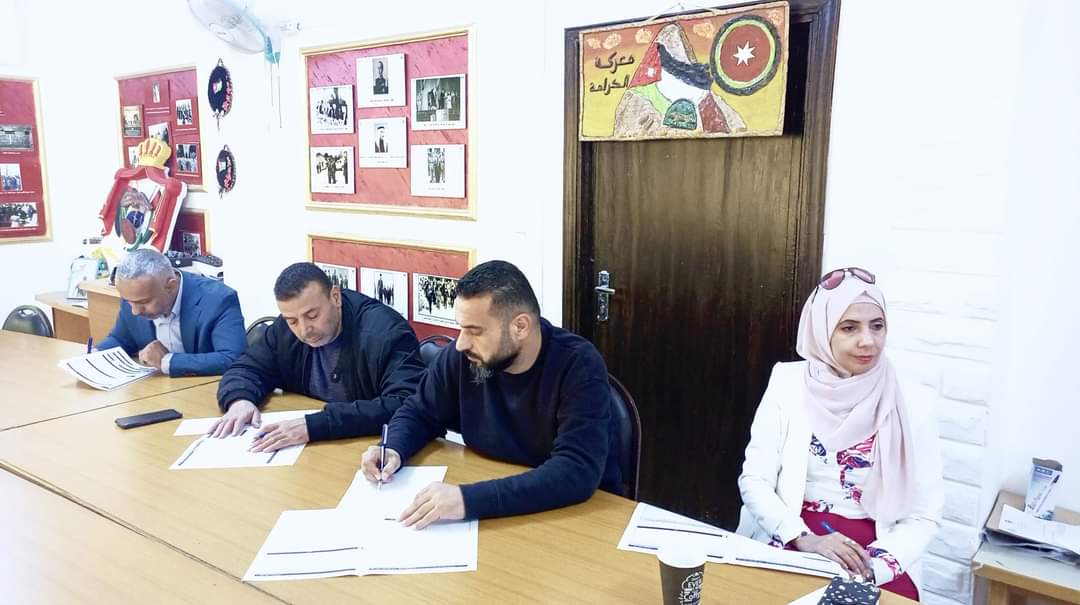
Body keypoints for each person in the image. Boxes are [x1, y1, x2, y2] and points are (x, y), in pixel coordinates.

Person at [359, 260, 622, 529]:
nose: (461, 343)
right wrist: (394, 447)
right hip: (498, 507)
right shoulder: (464, 356)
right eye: (461, 328)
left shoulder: (579, 365)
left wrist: (468, 500)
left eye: (475, 331)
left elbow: (576, 471)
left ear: (520, 327)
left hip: (576, 517)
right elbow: (420, 412)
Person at [736, 268, 943, 600]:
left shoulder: (914, 402)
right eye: (849, 328)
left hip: (877, 547)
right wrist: (804, 539)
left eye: (877, 326)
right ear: (821, 331)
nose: (868, 341)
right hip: (796, 534)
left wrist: (870, 567)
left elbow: (924, 514)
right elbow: (754, 480)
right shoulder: (787, 383)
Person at [211, 262, 426, 453]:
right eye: (292, 321)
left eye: (312, 315)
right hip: (312, 452)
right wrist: (240, 400)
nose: (304, 330)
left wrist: (315, 426)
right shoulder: (286, 329)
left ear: (335, 297)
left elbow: (405, 403)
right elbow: (247, 367)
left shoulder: (386, 333)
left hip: (367, 449)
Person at [96, 248, 246, 376]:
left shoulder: (218, 299)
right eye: (129, 301)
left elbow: (233, 358)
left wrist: (167, 361)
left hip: (204, 389)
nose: (135, 311)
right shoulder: (133, 296)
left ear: (171, 287)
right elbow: (120, 340)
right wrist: (94, 355)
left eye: (143, 302)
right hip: (156, 388)